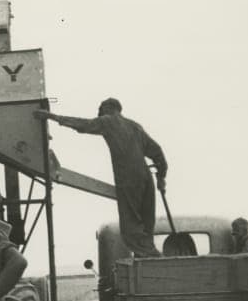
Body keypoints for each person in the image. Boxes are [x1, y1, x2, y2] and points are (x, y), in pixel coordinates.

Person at [35, 98, 168, 258]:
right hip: (146, 177)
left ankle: (151, 257)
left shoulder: (108, 121)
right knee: (146, 224)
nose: (99, 114)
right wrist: (161, 176)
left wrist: (50, 116)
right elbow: (157, 151)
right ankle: (150, 259)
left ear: (108, 108)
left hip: (128, 176)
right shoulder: (135, 126)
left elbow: (83, 124)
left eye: (100, 110)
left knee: (130, 225)